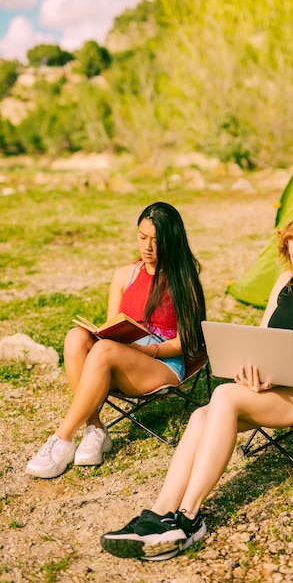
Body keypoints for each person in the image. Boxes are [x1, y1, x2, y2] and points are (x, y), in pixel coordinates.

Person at [99, 208, 293, 562]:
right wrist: (249, 367)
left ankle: (190, 518)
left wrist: (269, 379)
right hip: (274, 380)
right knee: (201, 417)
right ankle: (160, 513)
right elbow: (263, 336)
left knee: (223, 395)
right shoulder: (285, 284)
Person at [26, 201, 206, 479]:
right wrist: (104, 334)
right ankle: (95, 428)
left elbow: (185, 342)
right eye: (141, 236)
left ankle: (62, 439)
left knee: (105, 351)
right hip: (121, 355)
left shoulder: (184, 280)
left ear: (171, 241)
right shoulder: (124, 275)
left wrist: (149, 351)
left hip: (162, 362)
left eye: (156, 241)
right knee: (76, 338)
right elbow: (112, 324)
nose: (147, 247)